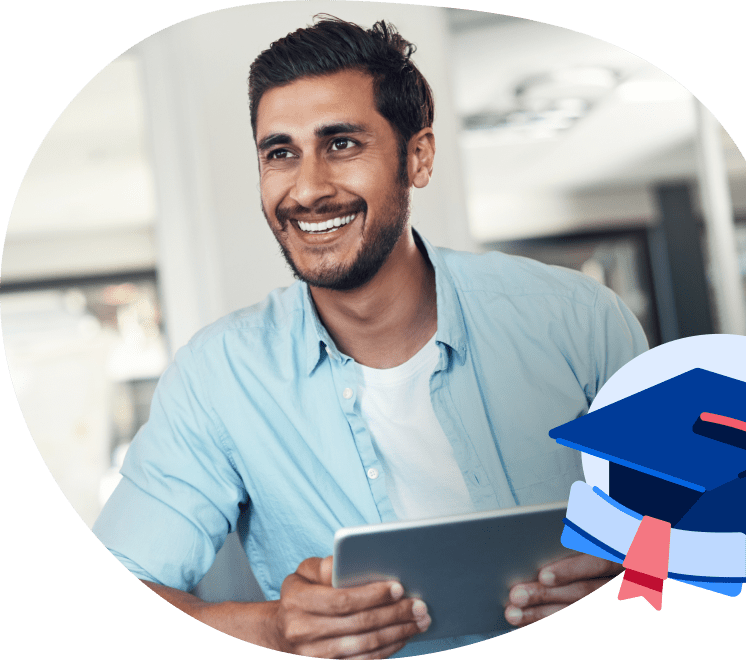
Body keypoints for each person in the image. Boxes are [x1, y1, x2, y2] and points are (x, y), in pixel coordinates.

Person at [93, 16, 649, 659]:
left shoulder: (575, 320)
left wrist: (632, 581)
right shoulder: (217, 378)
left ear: (418, 157)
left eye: (342, 144)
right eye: (280, 153)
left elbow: (711, 530)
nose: (307, 188)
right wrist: (270, 628)